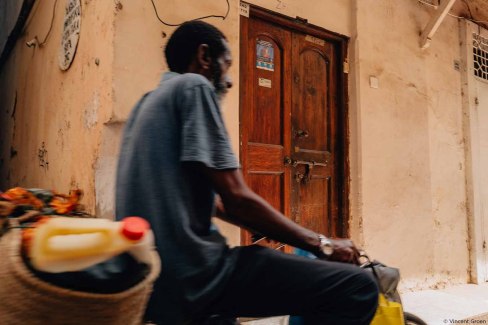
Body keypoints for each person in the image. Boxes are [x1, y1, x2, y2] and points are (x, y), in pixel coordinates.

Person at [115, 20, 379, 325]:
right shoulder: (194, 87)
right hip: (201, 275)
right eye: (226, 67)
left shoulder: (147, 105)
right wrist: (323, 243)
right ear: (204, 57)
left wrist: (269, 225)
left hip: (154, 284)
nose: (228, 82)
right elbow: (237, 197)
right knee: (357, 287)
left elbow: (216, 204)